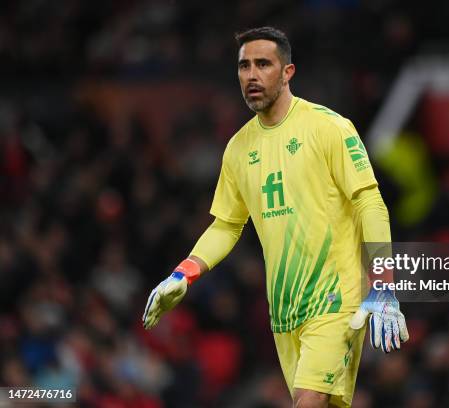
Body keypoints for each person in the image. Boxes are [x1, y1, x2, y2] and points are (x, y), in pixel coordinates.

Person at [142, 26, 408, 408]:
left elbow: (370, 202)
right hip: (284, 311)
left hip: (336, 299)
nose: (251, 75)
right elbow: (227, 225)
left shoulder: (328, 127)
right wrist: (184, 273)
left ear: (288, 73)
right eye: (244, 66)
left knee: (308, 401)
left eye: (263, 64)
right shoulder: (237, 149)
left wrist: (382, 282)